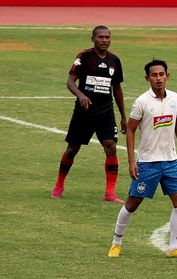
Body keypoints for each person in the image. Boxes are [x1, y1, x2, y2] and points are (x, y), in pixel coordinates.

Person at [107, 59, 177, 260]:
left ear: (167, 76)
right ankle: (116, 242)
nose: (158, 78)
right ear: (147, 78)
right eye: (154, 75)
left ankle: (174, 247)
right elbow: (130, 130)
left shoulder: (175, 99)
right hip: (148, 163)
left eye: (161, 74)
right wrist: (131, 162)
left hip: (171, 161)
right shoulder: (142, 102)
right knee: (133, 203)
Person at [52, 25, 128, 204]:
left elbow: (116, 88)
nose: (104, 40)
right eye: (100, 37)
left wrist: (123, 116)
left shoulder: (114, 61)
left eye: (107, 37)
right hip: (84, 112)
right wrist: (80, 95)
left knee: (111, 147)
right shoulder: (83, 57)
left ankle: (110, 193)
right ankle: (59, 186)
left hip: (105, 112)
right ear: (92, 39)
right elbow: (70, 81)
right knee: (72, 149)